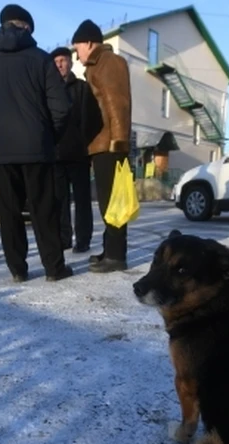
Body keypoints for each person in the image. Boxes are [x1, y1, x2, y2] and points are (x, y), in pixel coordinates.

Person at [0, 4, 73, 283]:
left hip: (2, 152)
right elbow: (62, 108)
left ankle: (17, 269)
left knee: (10, 213)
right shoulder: (40, 59)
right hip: (38, 149)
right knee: (44, 210)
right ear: (26, 27)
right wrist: (49, 139)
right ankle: (54, 268)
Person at [72, 19, 132, 274]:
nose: (77, 55)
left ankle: (116, 256)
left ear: (88, 42)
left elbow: (117, 103)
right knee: (107, 203)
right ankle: (110, 249)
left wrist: (119, 142)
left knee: (114, 203)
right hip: (102, 144)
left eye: (78, 49)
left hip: (110, 145)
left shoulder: (109, 63)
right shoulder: (98, 65)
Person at [51, 47, 100, 254]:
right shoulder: (48, 91)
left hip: (79, 154)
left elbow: (92, 119)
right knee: (59, 201)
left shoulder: (82, 88)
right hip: (56, 155)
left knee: (82, 200)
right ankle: (64, 238)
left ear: (70, 63)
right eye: (56, 61)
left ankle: (83, 239)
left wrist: (84, 142)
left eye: (63, 60)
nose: (60, 64)